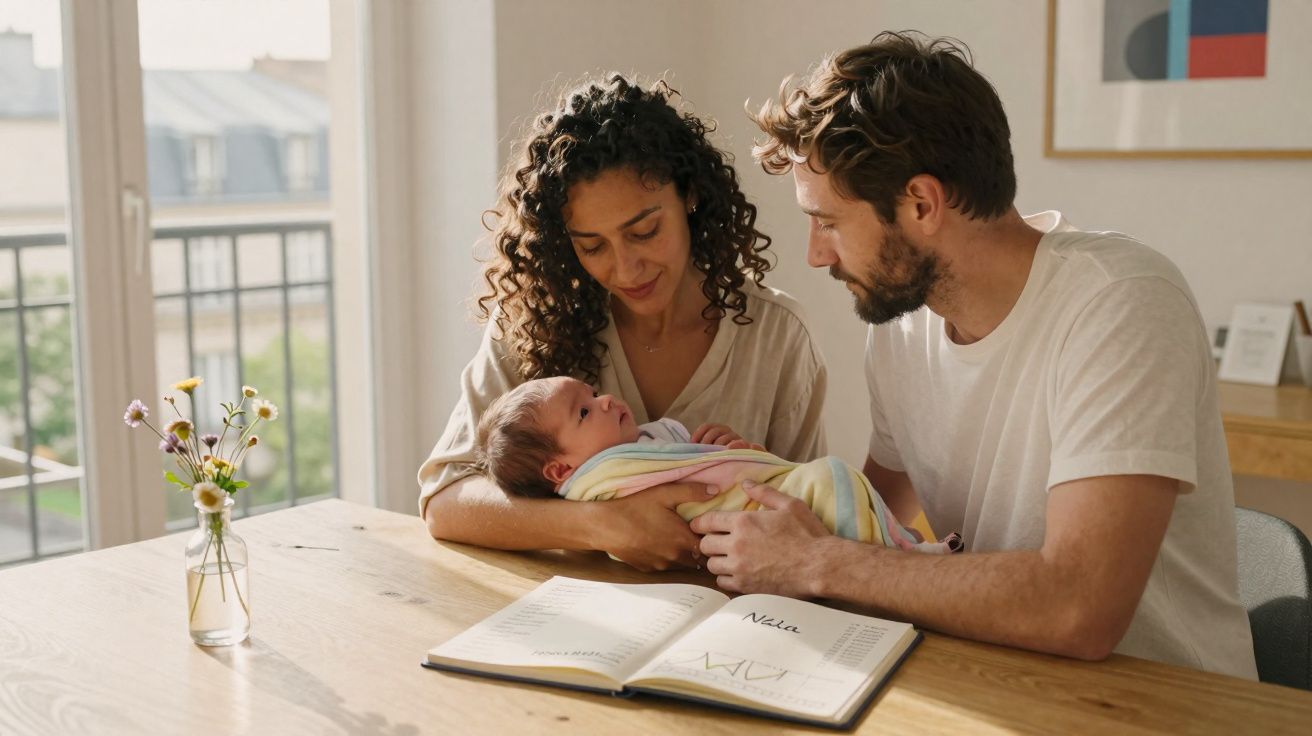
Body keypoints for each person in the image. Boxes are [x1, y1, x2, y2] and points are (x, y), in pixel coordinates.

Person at [691, 32, 1258, 679]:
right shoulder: (904, 328)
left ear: (922, 204)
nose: (816, 255)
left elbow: (1079, 607)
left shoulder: (1121, 302)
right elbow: (869, 513)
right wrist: (747, 491)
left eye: (828, 222)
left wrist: (815, 564)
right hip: (1000, 680)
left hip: (1166, 705)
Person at [419, 74, 828, 572]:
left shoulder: (776, 337)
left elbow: (809, 520)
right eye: (592, 246)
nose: (625, 269)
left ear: (691, 196)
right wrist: (601, 525)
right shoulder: (532, 322)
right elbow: (446, 503)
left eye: (645, 231)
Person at [472, 376, 959, 555]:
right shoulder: (600, 482)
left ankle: (905, 550)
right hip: (735, 543)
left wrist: (723, 449)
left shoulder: (650, 438)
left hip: (759, 509)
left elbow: (714, 464)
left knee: (832, 482)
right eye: (583, 412)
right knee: (832, 480)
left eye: (593, 393)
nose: (604, 402)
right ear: (562, 472)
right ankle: (905, 553)